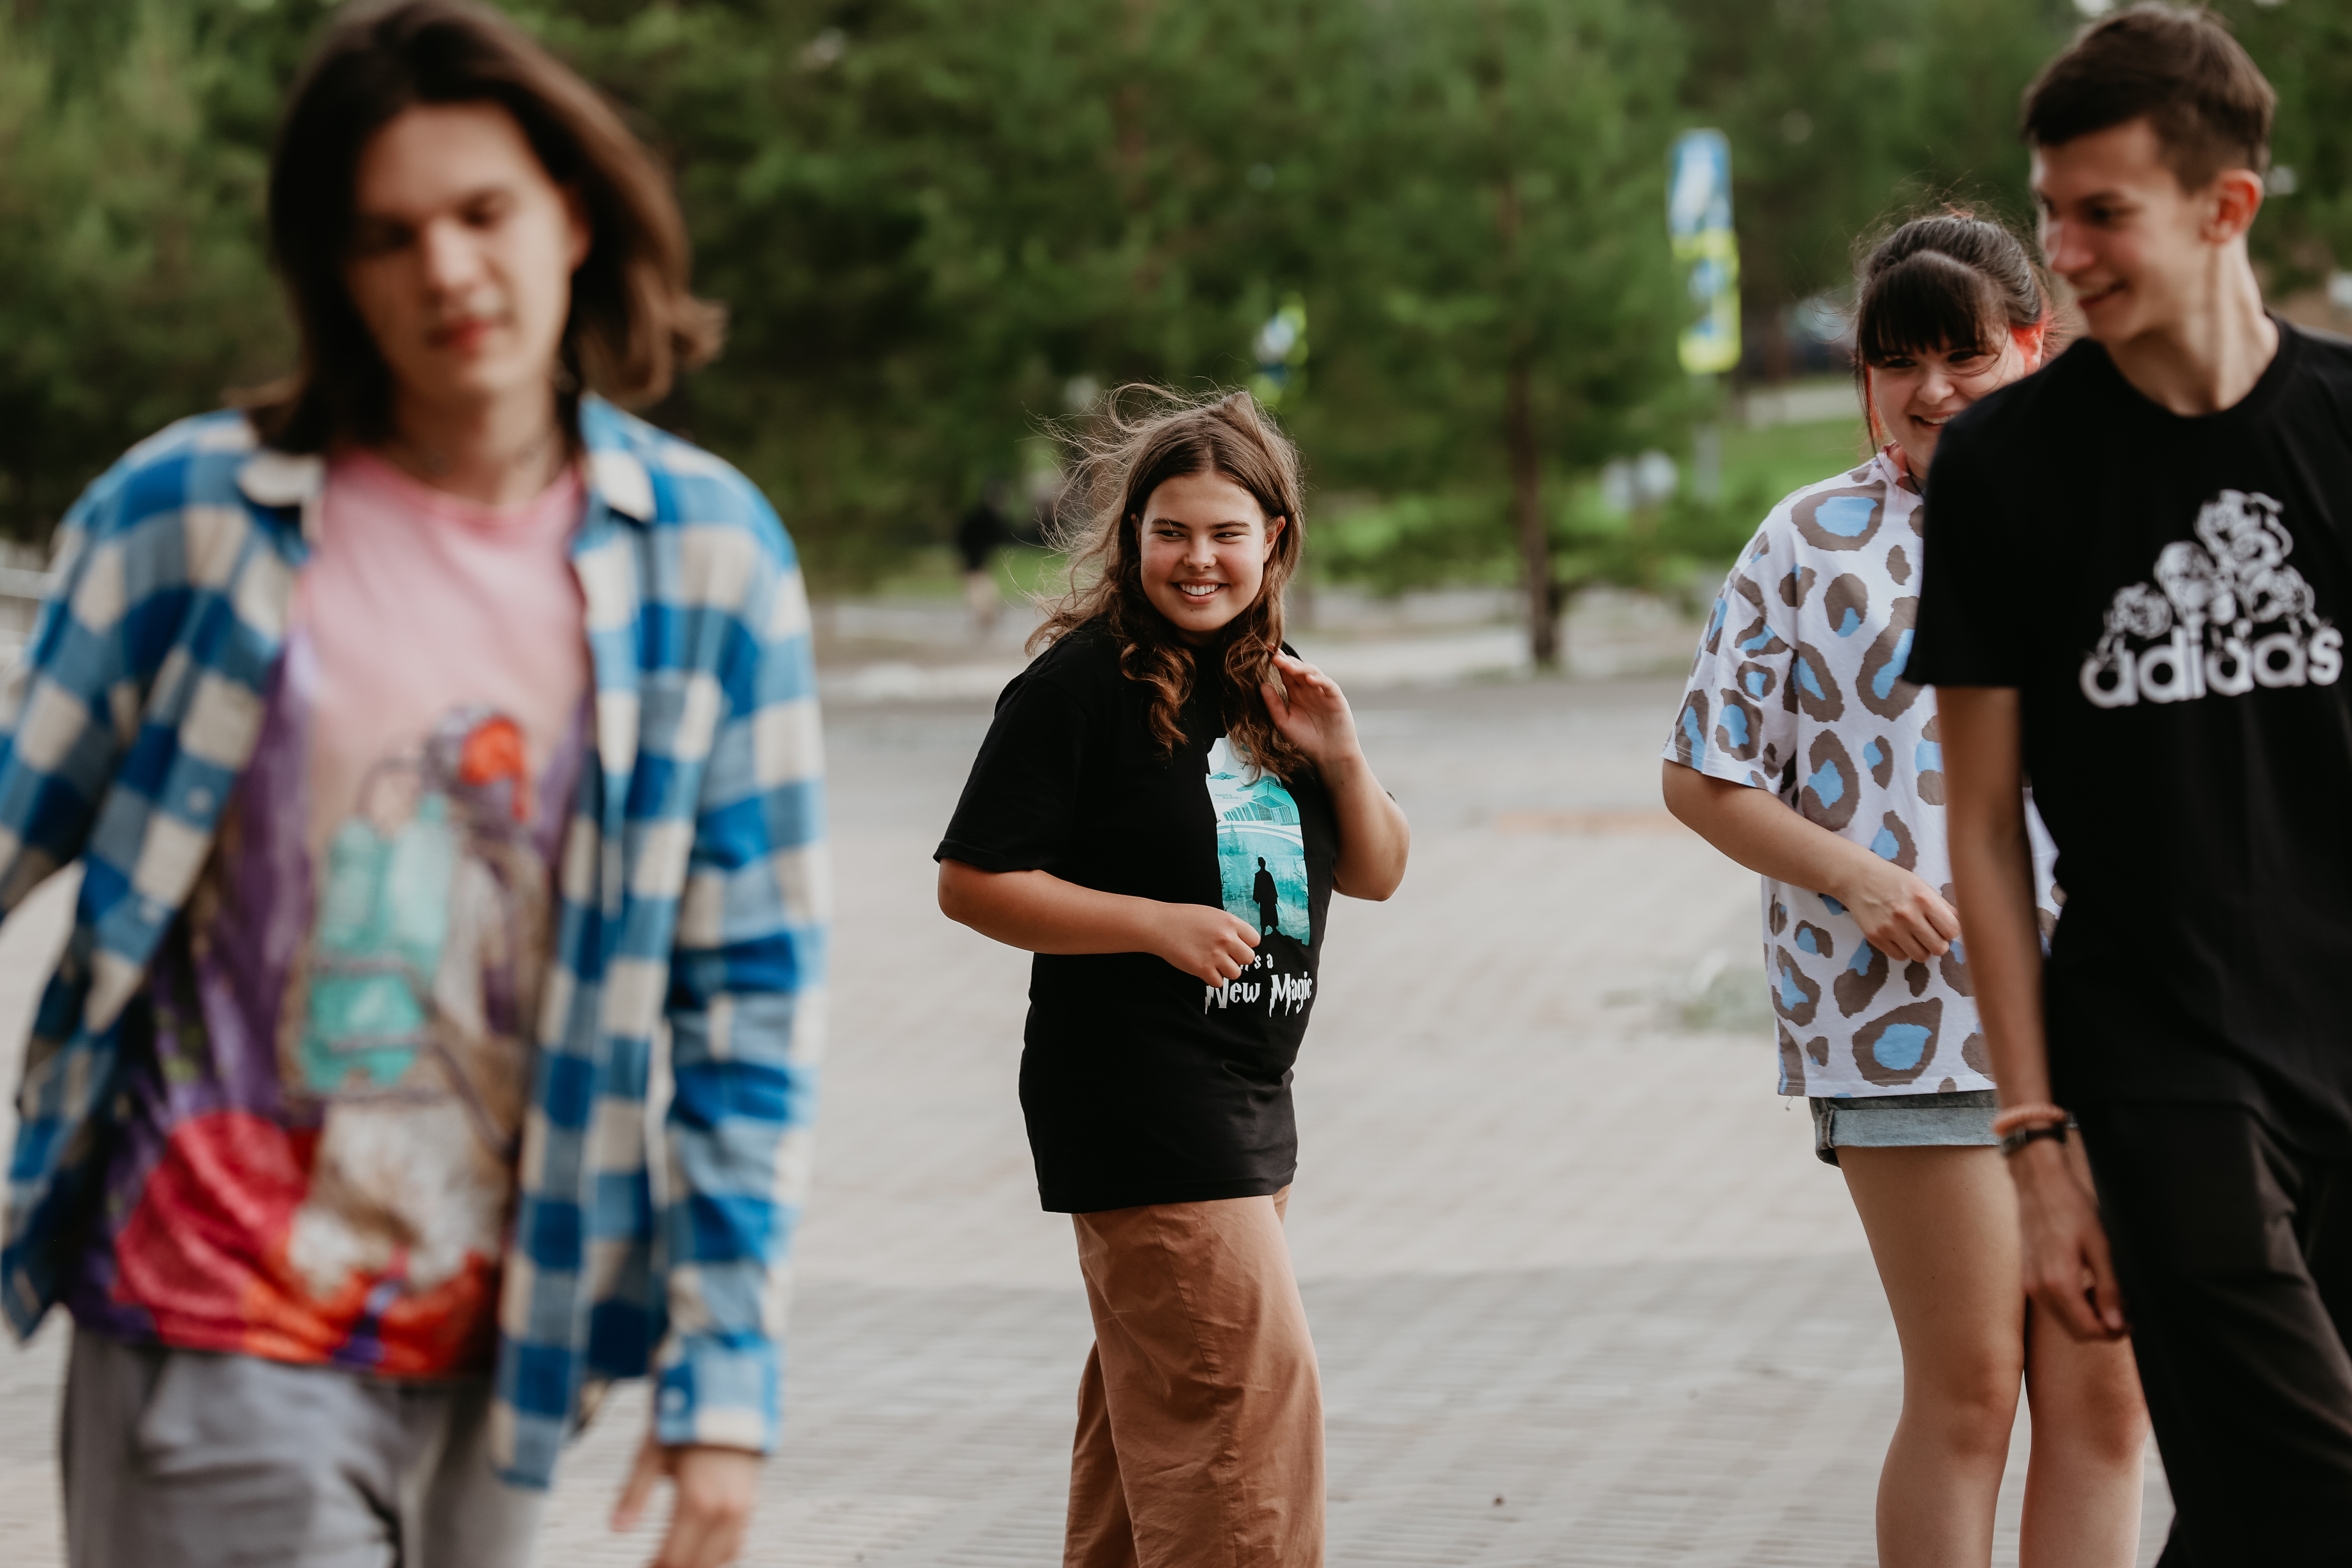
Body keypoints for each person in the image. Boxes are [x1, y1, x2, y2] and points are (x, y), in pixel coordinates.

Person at [0, 4, 826, 1565]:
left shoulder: (709, 560)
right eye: (389, 235)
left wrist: (727, 1376)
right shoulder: (197, 519)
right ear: (334, 267)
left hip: (510, 1350)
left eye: (483, 213)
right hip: (215, 1317)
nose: (446, 270)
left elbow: (752, 997)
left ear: (573, 215)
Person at [1909, 6, 2352, 1560]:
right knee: (2314, 1487)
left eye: (2105, 213)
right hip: (2165, 1059)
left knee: (2252, 1502)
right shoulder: (2009, 469)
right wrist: (2035, 1147)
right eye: (2051, 211)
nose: (2066, 251)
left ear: (2226, 207)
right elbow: (1977, 819)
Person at [1662, 211, 2148, 1566]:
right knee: (1971, 1390)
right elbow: (1703, 774)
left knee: (2106, 1397)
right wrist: (1858, 879)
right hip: (1908, 1026)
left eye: (1964, 353)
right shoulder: (1806, 543)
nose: (1930, 388)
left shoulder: (2114, 514)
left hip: (2116, 1014)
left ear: (2032, 344)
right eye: (1896, 358)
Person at [934, 388, 1409, 1568]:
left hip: (1249, 1096)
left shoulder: (1275, 682)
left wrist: (1343, 759)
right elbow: (974, 879)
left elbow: (1382, 871)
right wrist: (1154, 925)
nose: (1199, 559)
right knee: (1246, 1411)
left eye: (1226, 533)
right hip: (1137, 1095)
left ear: (1275, 543)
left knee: (1158, 1422)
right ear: (1131, 535)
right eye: (1172, 532)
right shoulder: (1077, 689)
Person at [957, 479, 1011, 639]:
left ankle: (986, 617)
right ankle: (986, 616)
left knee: (979, 588)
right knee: (979, 588)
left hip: (976, 560)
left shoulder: (984, 518)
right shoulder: (986, 519)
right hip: (974, 560)